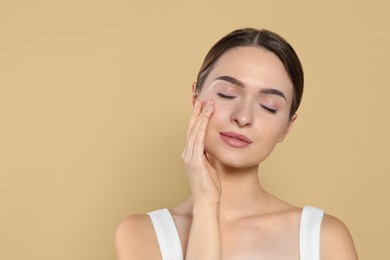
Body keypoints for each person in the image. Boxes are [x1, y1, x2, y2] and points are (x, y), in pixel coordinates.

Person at [115, 28, 358, 259]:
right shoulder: (143, 234)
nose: (242, 117)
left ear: (287, 127)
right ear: (195, 98)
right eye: (227, 94)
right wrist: (206, 203)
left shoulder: (323, 237)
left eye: (268, 107)